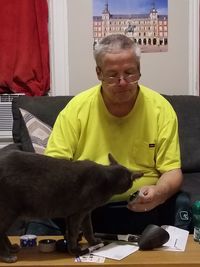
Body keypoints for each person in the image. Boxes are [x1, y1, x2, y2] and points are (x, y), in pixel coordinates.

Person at [45, 34, 185, 235]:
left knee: (181, 203)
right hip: (84, 208)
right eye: (112, 75)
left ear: (139, 70)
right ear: (98, 73)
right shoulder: (75, 109)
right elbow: (54, 167)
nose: (122, 82)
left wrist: (159, 193)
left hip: (141, 208)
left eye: (130, 73)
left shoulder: (161, 109)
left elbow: (172, 171)